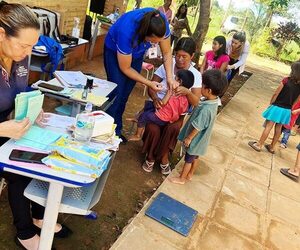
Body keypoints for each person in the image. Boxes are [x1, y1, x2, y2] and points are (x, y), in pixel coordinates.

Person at [0, 3, 71, 249]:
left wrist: (33, 105)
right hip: (2, 131)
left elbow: (21, 90)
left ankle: (40, 216)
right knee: (21, 168)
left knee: (50, 152)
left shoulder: (20, 57)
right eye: (23, 45)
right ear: (1, 34)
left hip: (12, 125)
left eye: (32, 45)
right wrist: (2, 129)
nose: (28, 52)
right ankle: (25, 231)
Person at [104, 8, 176, 143]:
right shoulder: (126, 31)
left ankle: (116, 131)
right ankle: (104, 134)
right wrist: (149, 83)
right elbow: (125, 68)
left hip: (136, 53)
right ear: (145, 34)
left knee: (124, 94)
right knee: (116, 94)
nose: (155, 44)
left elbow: (167, 53)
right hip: (115, 53)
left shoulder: (161, 23)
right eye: (153, 41)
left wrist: (170, 78)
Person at [141, 37, 202, 175]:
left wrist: (187, 92)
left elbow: (196, 102)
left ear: (192, 56)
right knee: (153, 128)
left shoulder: (196, 75)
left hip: (176, 113)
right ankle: (150, 156)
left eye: (184, 56)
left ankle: (163, 157)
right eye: (177, 55)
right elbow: (152, 85)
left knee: (173, 128)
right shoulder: (167, 65)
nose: (180, 59)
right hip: (159, 106)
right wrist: (155, 98)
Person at [169, 70, 228, 184]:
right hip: (201, 141)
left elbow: (198, 126)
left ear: (208, 90)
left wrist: (189, 138)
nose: (200, 87)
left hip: (195, 139)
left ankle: (182, 178)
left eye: (202, 86)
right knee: (195, 157)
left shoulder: (206, 109)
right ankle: (190, 174)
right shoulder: (213, 102)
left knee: (188, 159)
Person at [249, 61, 300, 154]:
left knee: (268, 126)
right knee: (278, 128)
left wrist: (271, 102)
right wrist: (291, 107)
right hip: (287, 110)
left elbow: (276, 93)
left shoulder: (286, 80)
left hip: (277, 107)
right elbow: (297, 99)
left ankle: (259, 144)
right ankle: (272, 147)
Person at [129, 69, 194, 142]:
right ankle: (138, 118)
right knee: (149, 104)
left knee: (144, 115)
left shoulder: (172, 92)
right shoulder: (185, 98)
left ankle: (138, 135)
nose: (172, 80)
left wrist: (168, 93)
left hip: (162, 118)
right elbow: (184, 110)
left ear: (179, 82)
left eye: (175, 78)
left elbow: (163, 103)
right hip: (169, 118)